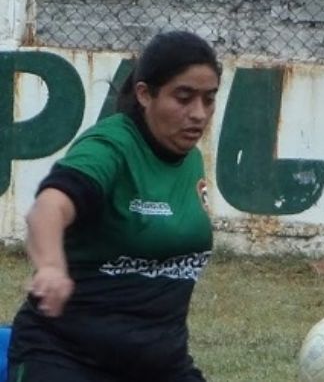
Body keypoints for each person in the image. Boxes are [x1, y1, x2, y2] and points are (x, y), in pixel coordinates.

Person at [6, 30, 221, 382]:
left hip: (160, 366)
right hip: (67, 357)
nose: (199, 114)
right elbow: (48, 208)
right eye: (183, 98)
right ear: (145, 94)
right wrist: (51, 267)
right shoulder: (110, 147)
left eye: (209, 99)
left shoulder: (191, 160)